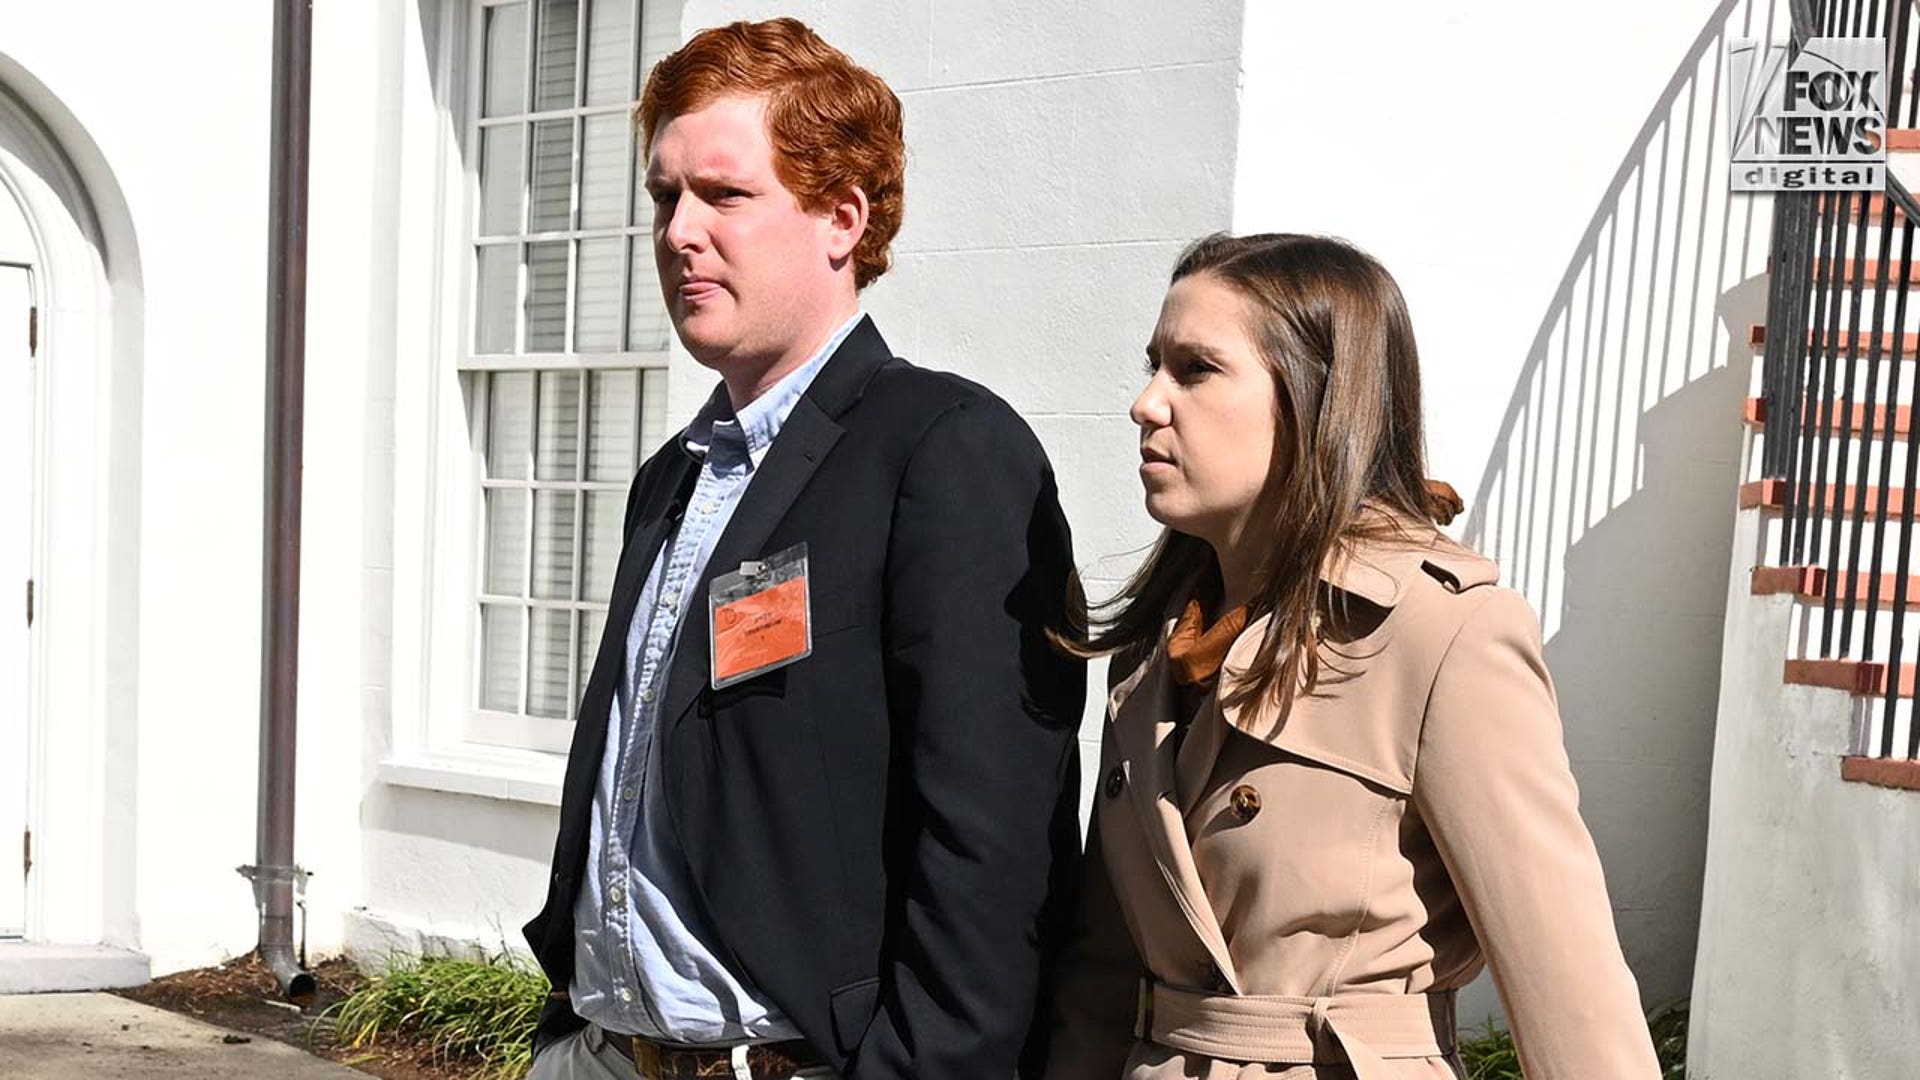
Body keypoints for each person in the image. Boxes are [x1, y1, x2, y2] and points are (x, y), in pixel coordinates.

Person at [522, 18, 1086, 1080]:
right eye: (664, 196)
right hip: (604, 1054)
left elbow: (993, 853)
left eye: (724, 195)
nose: (679, 231)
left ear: (842, 218)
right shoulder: (676, 477)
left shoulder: (944, 452)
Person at [1045, 233, 1662, 1079]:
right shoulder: (1156, 650)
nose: (1147, 403)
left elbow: (1571, 994)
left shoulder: (1440, 634)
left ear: (1314, 400)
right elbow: (1104, 974)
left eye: (1195, 370)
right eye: (1154, 365)